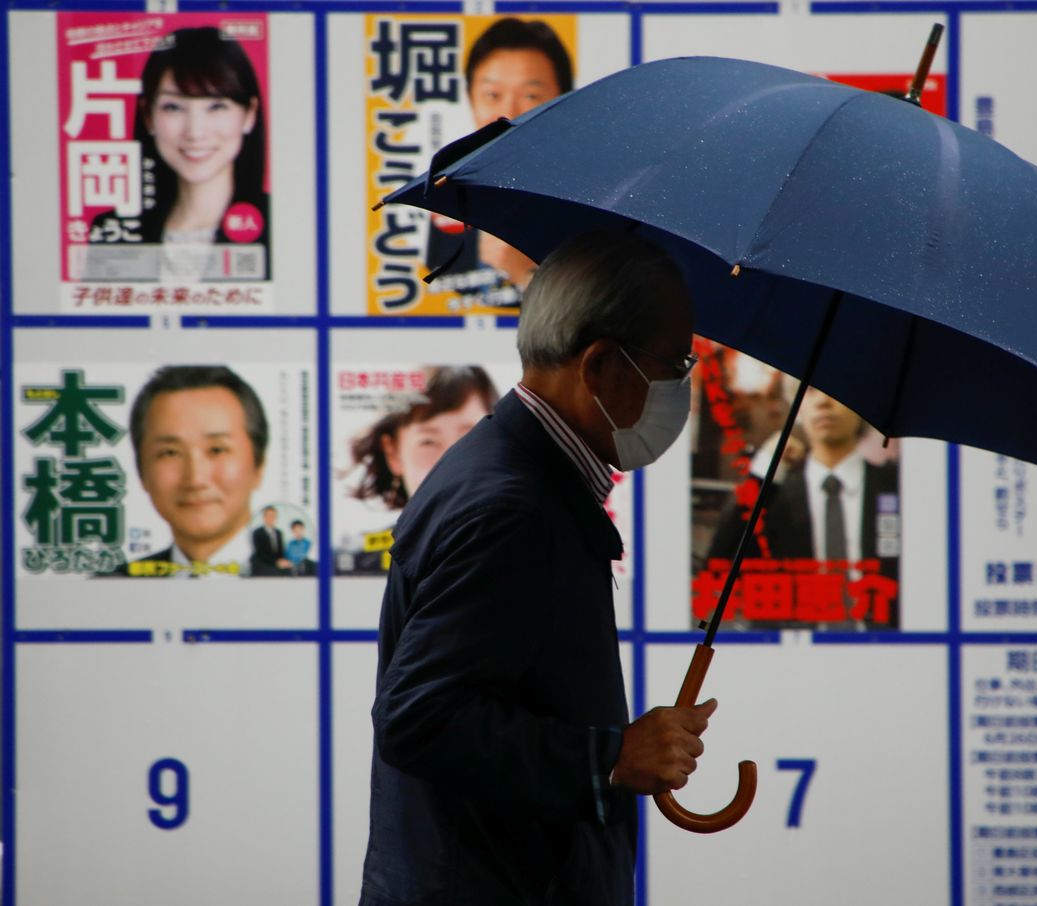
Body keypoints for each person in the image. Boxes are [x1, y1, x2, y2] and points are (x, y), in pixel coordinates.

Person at [360, 232, 713, 905]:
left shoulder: (512, 473)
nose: (681, 387)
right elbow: (419, 718)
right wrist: (609, 756)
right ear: (601, 365)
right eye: (675, 364)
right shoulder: (514, 510)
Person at [706, 387, 902, 629]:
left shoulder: (896, 489)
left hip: (886, 649)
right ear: (797, 406)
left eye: (837, 391)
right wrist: (764, 472)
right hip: (789, 653)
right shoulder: (774, 494)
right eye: (811, 391)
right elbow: (720, 568)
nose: (824, 401)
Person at [87, 26, 269, 282]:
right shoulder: (114, 230)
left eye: (216, 106)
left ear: (249, 114)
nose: (195, 132)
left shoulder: (280, 222)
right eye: (173, 107)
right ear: (148, 116)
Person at [426, 18, 572, 299]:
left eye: (531, 95)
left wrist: (525, 275)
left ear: (562, 98)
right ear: (470, 100)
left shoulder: (586, 200)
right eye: (492, 95)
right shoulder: (446, 201)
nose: (508, 112)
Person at [340, 366, 499, 575]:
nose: (451, 460)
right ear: (393, 453)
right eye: (428, 442)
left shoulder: (535, 553)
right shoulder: (354, 563)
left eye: (470, 437)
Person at [114, 365, 267, 578]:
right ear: (142, 472)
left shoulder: (313, 584)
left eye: (217, 450)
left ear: (259, 465)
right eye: (170, 453)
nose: (195, 479)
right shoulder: (108, 590)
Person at [250, 505, 292, 576]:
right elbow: (260, 553)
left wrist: (285, 561)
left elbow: (281, 551)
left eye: (273, 516)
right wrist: (276, 562)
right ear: (264, 517)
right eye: (269, 516)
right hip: (262, 563)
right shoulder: (257, 533)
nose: (271, 518)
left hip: (277, 565)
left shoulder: (279, 533)